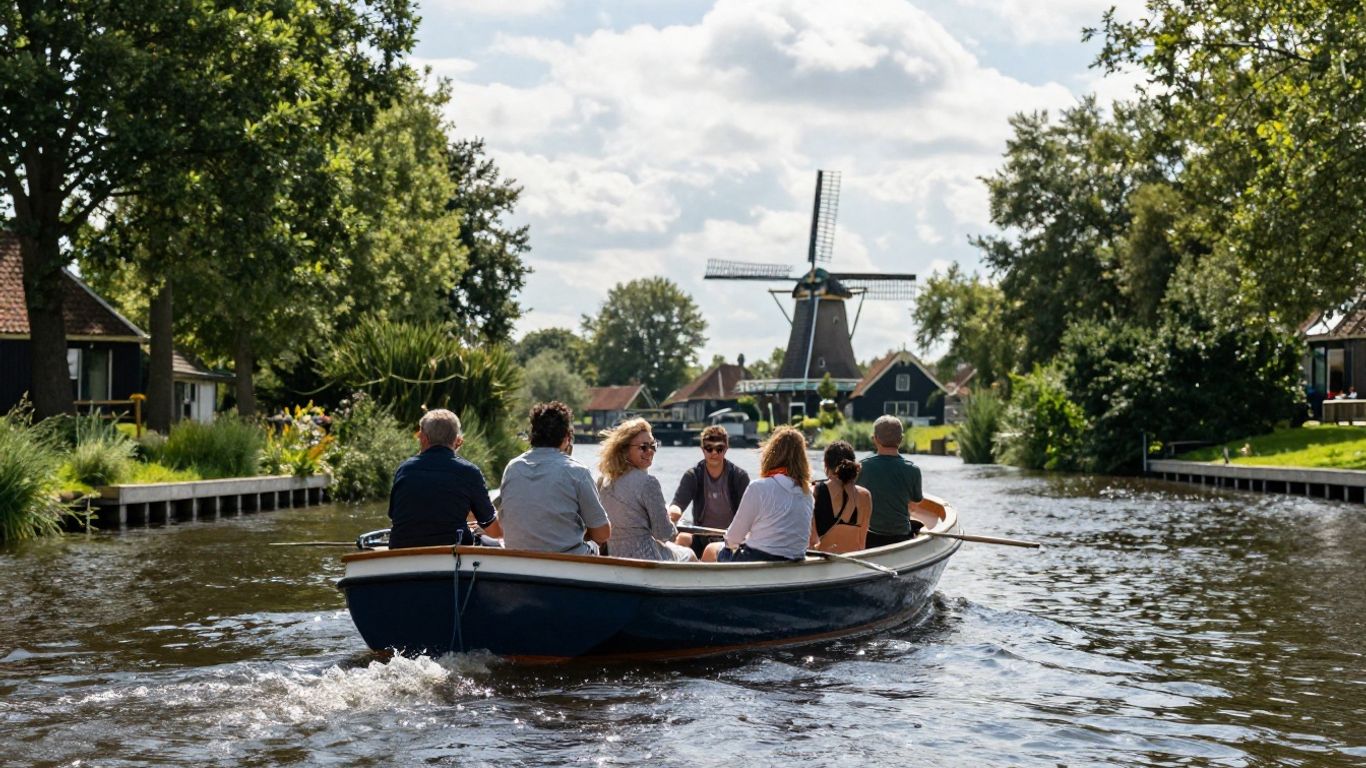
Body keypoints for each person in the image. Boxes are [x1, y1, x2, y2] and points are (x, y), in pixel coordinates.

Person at [497, 401, 611, 554]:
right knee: (602, 545)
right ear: (567, 437)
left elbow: (503, 522)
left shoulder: (513, 468)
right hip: (565, 564)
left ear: (532, 435)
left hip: (519, 562)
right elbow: (602, 534)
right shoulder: (577, 471)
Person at [387, 409, 502, 549]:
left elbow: (394, 516)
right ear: (458, 440)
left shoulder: (405, 469)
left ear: (424, 438)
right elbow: (494, 531)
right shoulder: (469, 472)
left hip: (402, 551)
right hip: (451, 555)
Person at [703, 426, 818, 563]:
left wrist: (737, 540)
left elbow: (733, 539)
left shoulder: (758, 488)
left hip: (756, 561)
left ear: (771, 454)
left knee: (711, 549)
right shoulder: (808, 495)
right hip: (792, 563)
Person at [596, 418, 697, 561]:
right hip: (648, 559)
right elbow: (664, 534)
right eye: (643, 447)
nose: (650, 452)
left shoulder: (603, 481)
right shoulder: (649, 483)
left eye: (653, 446)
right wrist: (671, 520)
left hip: (616, 557)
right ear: (624, 450)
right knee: (689, 554)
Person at [668, 425, 750, 558]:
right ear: (702, 449)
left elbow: (749, 514)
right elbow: (678, 504)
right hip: (700, 538)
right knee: (682, 538)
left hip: (731, 540)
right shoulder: (693, 475)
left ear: (726, 449)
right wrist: (672, 514)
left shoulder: (739, 477)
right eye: (709, 448)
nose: (714, 453)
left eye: (719, 448)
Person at [857, 415, 924, 548]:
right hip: (901, 536)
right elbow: (916, 501)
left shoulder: (861, 467)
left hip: (869, 537)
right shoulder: (913, 470)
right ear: (901, 439)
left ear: (875, 439)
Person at [811, 440, 872, 554]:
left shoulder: (814, 492)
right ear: (853, 464)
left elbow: (811, 543)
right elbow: (861, 544)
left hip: (821, 564)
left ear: (825, 465)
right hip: (852, 563)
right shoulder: (865, 496)